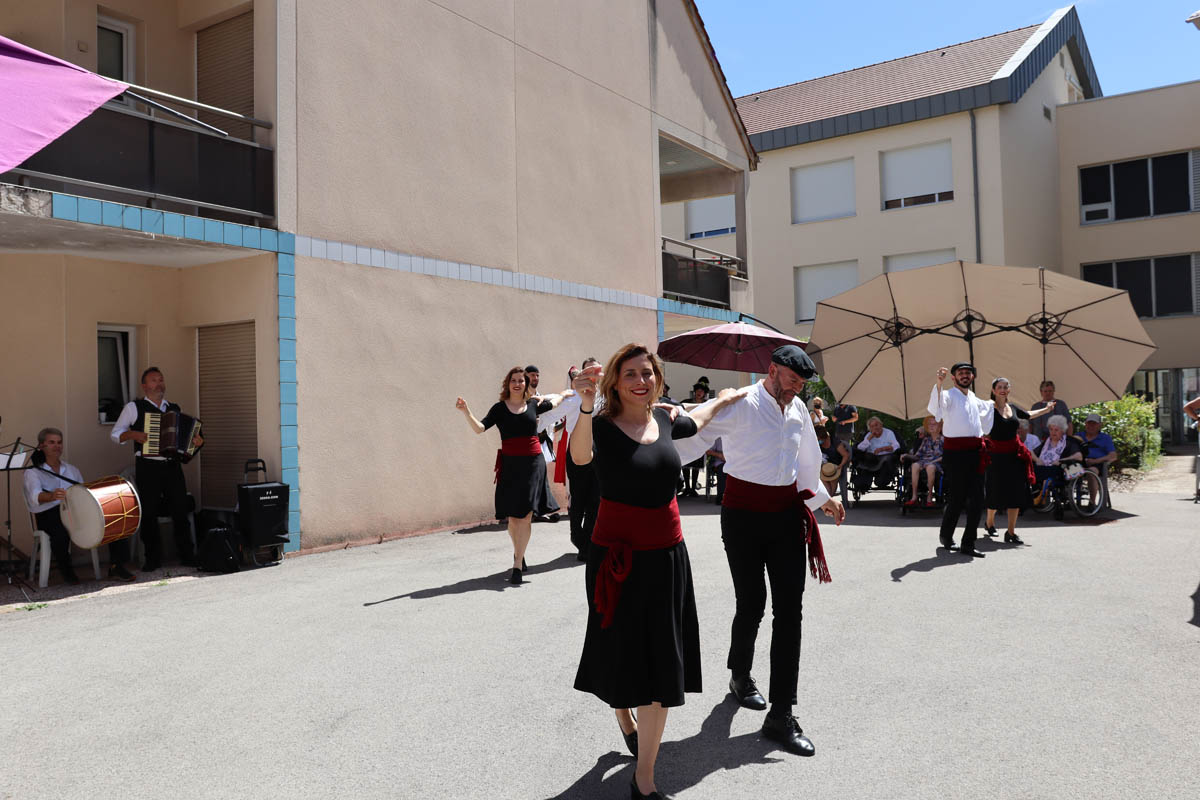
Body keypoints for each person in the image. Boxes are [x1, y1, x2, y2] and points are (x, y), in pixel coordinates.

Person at [570, 343, 745, 800]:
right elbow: (580, 457)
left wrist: (725, 399)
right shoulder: (599, 425)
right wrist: (585, 404)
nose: (640, 380)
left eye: (646, 372)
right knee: (622, 655)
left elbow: (698, 420)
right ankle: (622, 713)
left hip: (666, 559)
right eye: (630, 373)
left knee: (659, 668)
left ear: (657, 378)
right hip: (615, 563)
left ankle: (644, 778)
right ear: (614, 382)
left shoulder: (666, 419)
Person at [674, 345, 844, 758]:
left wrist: (823, 499)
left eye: (802, 384)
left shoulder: (798, 409)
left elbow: (807, 462)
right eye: (792, 380)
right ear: (772, 370)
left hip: (786, 517)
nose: (797, 388)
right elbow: (693, 437)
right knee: (751, 603)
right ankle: (739, 675)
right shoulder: (740, 403)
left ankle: (781, 714)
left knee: (790, 612)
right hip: (742, 517)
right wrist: (659, 440)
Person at [456, 367, 565, 584]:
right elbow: (480, 428)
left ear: (526, 384)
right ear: (508, 384)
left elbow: (555, 403)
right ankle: (519, 553)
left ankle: (516, 565)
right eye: (513, 380)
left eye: (521, 381)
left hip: (533, 464)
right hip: (511, 465)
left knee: (526, 515)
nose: (517, 384)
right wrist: (466, 411)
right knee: (514, 519)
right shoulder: (499, 409)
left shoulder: (533, 405)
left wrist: (566, 394)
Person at [111, 367, 202, 572]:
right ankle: (152, 558)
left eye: (161, 380)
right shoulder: (134, 407)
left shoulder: (173, 408)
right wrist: (134, 435)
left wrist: (195, 442)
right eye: (154, 380)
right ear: (144, 386)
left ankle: (187, 555)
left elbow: (185, 439)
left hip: (172, 465)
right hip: (148, 466)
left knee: (180, 509)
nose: (159, 383)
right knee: (149, 511)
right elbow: (115, 434)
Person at [22, 428, 135, 584]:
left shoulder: (71, 470)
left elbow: (83, 493)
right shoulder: (33, 472)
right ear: (41, 446)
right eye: (51, 442)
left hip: (75, 512)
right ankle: (66, 570)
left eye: (59, 442)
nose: (57, 446)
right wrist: (51, 496)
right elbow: (35, 496)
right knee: (60, 531)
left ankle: (117, 566)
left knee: (110, 518)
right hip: (48, 514)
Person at [928, 363, 993, 558]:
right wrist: (939, 383)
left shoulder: (974, 398)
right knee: (957, 498)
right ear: (954, 377)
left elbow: (991, 408)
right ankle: (946, 536)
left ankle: (968, 543)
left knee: (977, 499)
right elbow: (936, 408)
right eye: (960, 373)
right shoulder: (947, 395)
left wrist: (1000, 396)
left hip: (976, 453)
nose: (965, 375)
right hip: (955, 454)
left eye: (968, 373)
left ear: (972, 377)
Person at [984, 378, 1052, 543]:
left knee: (1015, 493)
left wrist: (1046, 409)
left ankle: (1011, 532)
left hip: (1014, 456)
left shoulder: (1012, 407)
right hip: (996, 457)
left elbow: (1028, 414)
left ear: (1009, 390)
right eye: (999, 387)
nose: (1002, 389)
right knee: (995, 494)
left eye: (1005, 387)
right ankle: (989, 522)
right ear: (994, 390)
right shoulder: (988, 409)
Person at [545, 359, 601, 560]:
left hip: (598, 453)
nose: (593, 375)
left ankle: (587, 543)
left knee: (595, 500)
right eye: (589, 371)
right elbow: (550, 411)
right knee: (578, 498)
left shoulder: (604, 397)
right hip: (576, 454)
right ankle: (577, 536)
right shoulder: (572, 396)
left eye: (596, 371)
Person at [526, 365, 562, 523]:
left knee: (539, 475)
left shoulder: (541, 397)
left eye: (537, 375)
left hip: (539, 441)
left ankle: (540, 510)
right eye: (532, 375)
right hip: (525, 443)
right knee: (528, 477)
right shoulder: (521, 397)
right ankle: (524, 512)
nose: (535, 378)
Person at [1032, 415, 1084, 518]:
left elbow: (1079, 456)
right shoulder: (1047, 442)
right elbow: (1031, 452)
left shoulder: (1069, 442)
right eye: (1051, 429)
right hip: (1043, 468)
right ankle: (1038, 493)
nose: (1053, 432)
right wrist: (1037, 460)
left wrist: (1061, 460)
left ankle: (1043, 492)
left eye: (1056, 430)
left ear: (1063, 430)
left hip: (1061, 469)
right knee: (1030, 469)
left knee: (1053, 470)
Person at [852, 416, 901, 494]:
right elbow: (860, 448)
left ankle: (881, 481)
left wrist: (883, 449)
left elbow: (896, 446)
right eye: (872, 426)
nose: (875, 428)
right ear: (870, 429)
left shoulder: (888, 433)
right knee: (866, 457)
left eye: (876, 425)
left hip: (885, 458)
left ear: (881, 425)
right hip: (872, 459)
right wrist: (870, 438)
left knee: (888, 459)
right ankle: (864, 483)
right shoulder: (869, 435)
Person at [902, 416, 943, 507]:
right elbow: (918, 455)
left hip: (936, 462)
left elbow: (945, 456)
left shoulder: (943, 439)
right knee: (914, 465)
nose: (931, 426)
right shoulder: (926, 439)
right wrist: (906, 455)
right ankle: (914, 496)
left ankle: (929, 497)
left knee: (930, 467)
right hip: (923, 461)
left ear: (940, 427)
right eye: (929, 424)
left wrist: (932, 462)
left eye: (934, 424)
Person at [1079, 412, 1117, 505]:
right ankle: (1069, 501)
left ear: (1100, 425)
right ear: (1085, 424)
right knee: (1067, 472)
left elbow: (1113, 456)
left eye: (1094, 423)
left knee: (1091, 472)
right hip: (1080, 464)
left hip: (1097, 464)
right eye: (1089, 423)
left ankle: (1092, 502)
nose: (1091, 426)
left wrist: (1095, 461)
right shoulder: (1079, 436)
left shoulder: (1105, 438)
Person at [817, 428, 850, 499]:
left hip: (836, 467)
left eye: (819, 439)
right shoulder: (819, 444)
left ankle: (829, 498)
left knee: (833, 479)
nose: (818, 441)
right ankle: (827, 498)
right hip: (824, 468)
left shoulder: (835, 442)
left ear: (823, 437)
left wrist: (841, 465)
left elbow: (845, 455)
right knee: (823, 479)